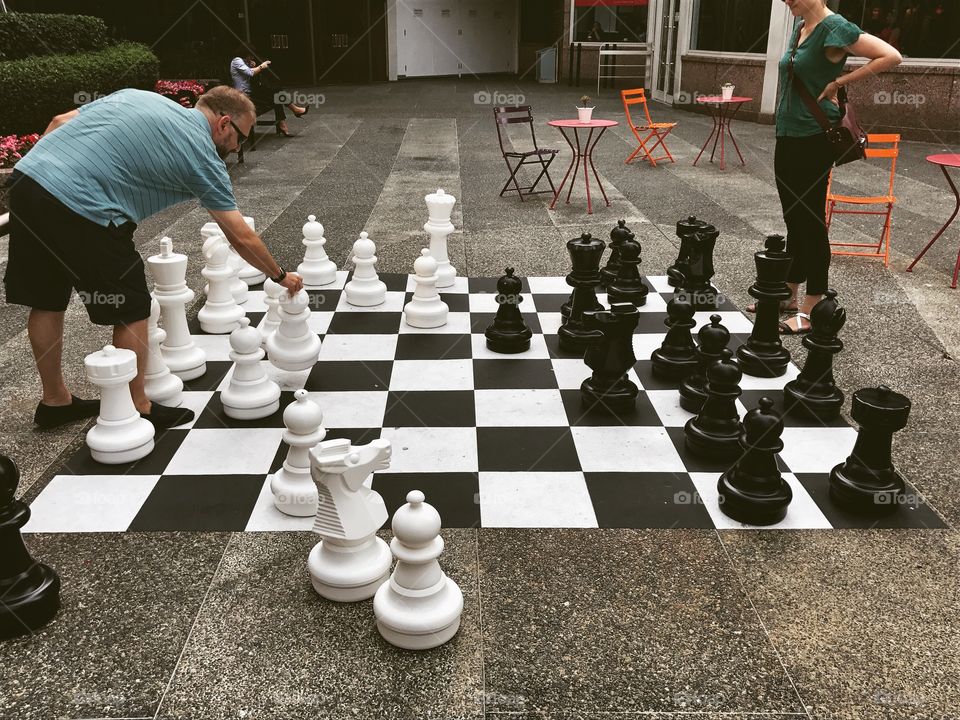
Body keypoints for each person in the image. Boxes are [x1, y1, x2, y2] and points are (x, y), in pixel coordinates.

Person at [3, 85, 304, 431]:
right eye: (241, 137)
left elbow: (59, 122)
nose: (238, 146)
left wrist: (48, 175)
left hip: (28, 183)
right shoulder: (203, 157)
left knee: (47, 299)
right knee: (132, 307)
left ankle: (55, 401)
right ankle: (138, 406)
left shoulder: (138, 96)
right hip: (85, 206)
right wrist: (281, 275)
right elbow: (240, 235)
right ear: (223, 124)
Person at [769, 0, 901, 334]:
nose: (786, 1)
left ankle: (815, 304)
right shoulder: (802, 28)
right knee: (794, 217)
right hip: (787, 134)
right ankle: (789, 293)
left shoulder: (834, 27)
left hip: (812, 139)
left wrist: (839, 82)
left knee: (809, 219)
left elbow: (890, 55)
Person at [229, 46, 308, 137]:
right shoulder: (236, 61)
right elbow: (250, 73)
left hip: (250, 92)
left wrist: (252, 64)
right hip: (243, 95)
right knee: (276, 94)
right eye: (251, 56)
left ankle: (285, 119)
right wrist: (261, 66)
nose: (252, 58)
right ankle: (292, 112)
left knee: (276, 93)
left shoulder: (243, 61)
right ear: (246, 54)